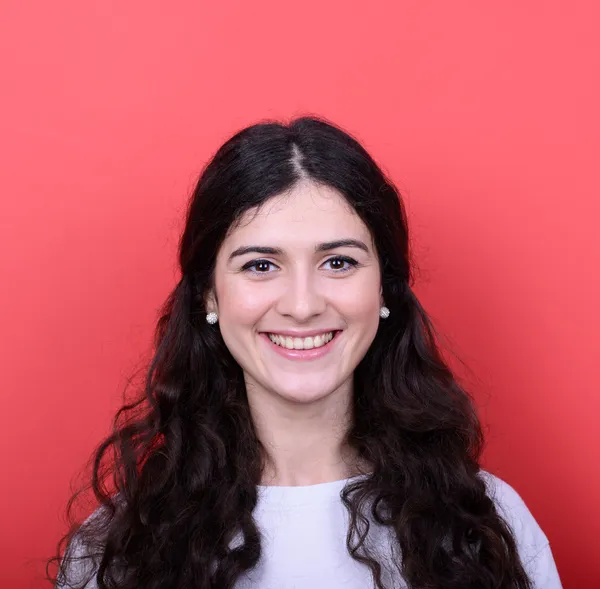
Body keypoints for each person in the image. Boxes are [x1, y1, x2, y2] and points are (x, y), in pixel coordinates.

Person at [49, 116, 562, 589]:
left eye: (338, 262)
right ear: (209, 295)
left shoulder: (488, 525)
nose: (302, 305)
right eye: (260, 266)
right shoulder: (121, 548)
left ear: (384, 288)